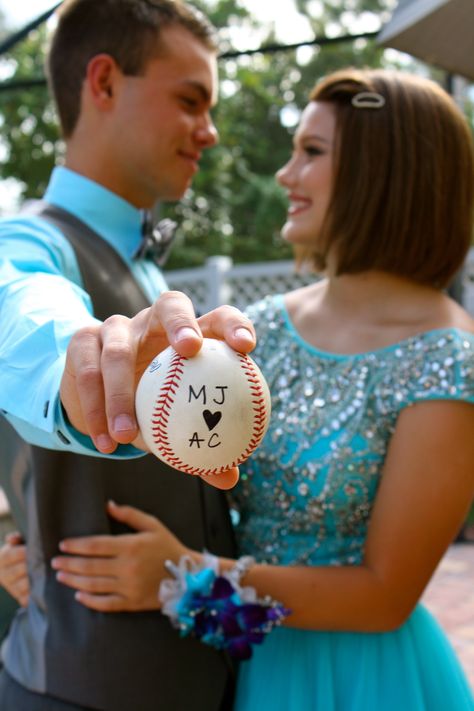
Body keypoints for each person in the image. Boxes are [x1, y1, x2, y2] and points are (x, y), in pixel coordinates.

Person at [33, 67, 474, 710]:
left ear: (389, 167)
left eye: (312, 153)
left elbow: (384, 597)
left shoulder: (449, 358)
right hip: (246, 657)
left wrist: (185, 580)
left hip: (359, 679)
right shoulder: (260, 326)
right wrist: (52, 561)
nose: (285, 175)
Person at [0, 1, 256, 709]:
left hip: (204, 675)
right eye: (189, 100)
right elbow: (22, 311)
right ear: (104, 83)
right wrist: (78, 370)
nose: (209, 130)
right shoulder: (24, 247)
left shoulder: (151, 275)